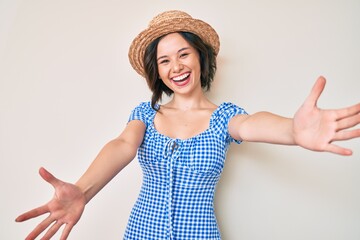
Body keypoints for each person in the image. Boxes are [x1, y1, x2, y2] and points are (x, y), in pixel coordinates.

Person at [15, 10, 360, 240]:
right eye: (164, 60)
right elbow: (122, 146)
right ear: (157, 71)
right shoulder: (146, 115)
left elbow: (252, 124)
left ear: (200, 57)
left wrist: (293, 132)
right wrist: (84, 191)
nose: (175, 66)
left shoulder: (224, 117)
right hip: (141, 233)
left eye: (183, 54)